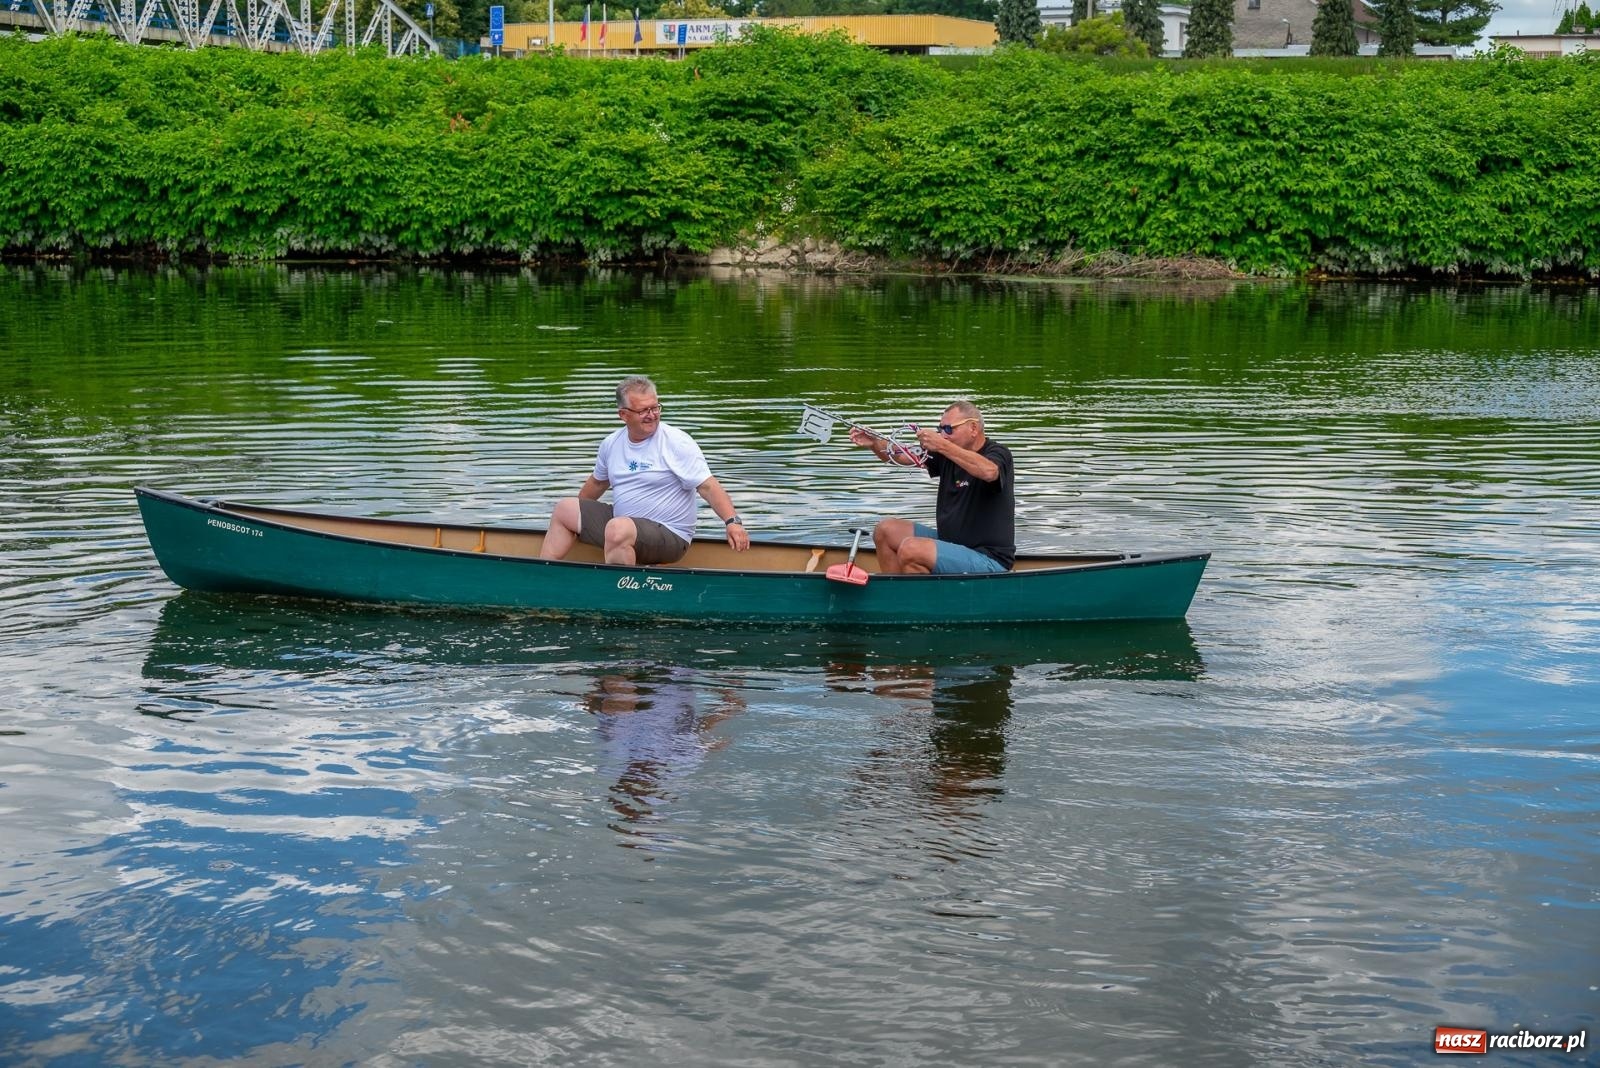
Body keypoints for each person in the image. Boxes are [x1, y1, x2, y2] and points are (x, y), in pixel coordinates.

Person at [540, 375, 750, 566]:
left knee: (617, 529)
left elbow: (708, 487)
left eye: (655, 408)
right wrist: (579, 520)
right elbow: (597, 483)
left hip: (670, 535)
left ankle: (624, 591)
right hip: (622, 524)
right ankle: (542, 574)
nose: (651, 415)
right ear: (623, 415)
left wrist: (732, 522)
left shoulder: (676, 442)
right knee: (565, 509)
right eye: (643, 411)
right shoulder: (611, 444)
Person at [849, 400, 1014, 574]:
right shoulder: (947, 452)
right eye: (940, 429)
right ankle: (896, 594)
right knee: (885, 530)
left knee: (911, 549)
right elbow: (902, 456)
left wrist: (942, 445)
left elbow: (989, 471)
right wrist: (875, 443)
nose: (943, 435)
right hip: (951, 544)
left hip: (988, 558)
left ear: (973, 428)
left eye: (949, 429)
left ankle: (919, 599)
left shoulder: (998, 453)